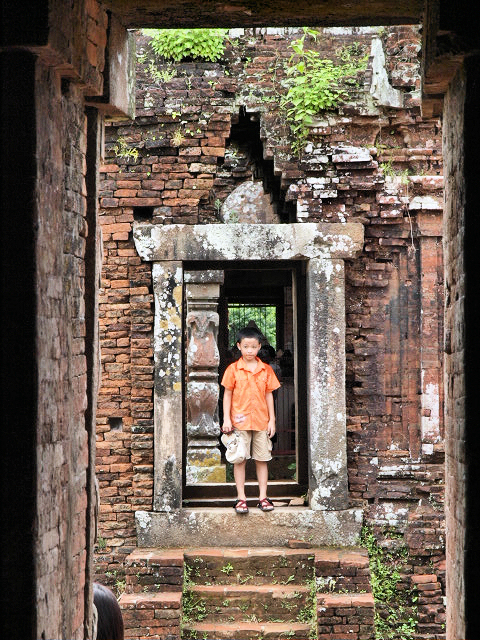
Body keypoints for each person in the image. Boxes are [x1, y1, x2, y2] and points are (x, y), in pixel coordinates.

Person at [221, 326, 281, 514]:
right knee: (240, 460)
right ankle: (241, 498)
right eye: (245, 346)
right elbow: (227, 395)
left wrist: (272, 420)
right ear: (239, 346)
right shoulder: (233, 370)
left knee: (262, 459)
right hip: (239, 421)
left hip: (262, 421)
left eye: (253, 347)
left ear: (259, 347)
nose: (249, 351)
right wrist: (226, 419)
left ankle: (263, 497)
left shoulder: (266, 370)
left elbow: (269, 395)